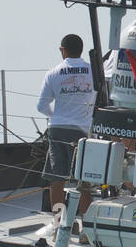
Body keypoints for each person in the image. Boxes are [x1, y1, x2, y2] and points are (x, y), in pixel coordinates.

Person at [37, 33, 96, 211]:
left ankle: (57, 224)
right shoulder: (93, 70)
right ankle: (87, 227)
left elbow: (41, 106)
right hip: (82, 131)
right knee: (83, 179)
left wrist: (56, 115)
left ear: (62, 50)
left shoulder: (53, 73)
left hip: (57, 128)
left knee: (57, 179)